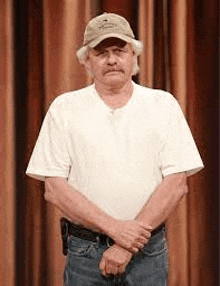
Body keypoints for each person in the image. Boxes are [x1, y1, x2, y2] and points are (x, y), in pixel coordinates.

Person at [26, 13, 204, 286]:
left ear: (134, 56)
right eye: (101, 53)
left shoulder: (162, 105)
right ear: (86, 60)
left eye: (120, 51)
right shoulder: (65, 109)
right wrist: (118, 231)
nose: (111, 60)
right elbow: (54, 188)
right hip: (85, 254)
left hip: (148, 254)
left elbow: (177, 184)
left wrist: (126, 245)